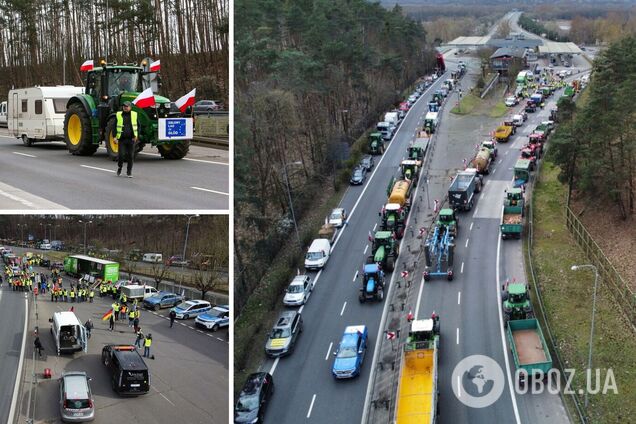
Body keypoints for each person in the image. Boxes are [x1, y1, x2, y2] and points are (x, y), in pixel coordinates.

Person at [114, 101, 138, 178]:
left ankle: (129, 172)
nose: (125, 107)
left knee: (130, 156)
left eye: (127, 106)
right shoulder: (118, 115)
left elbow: (139, 126)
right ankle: (119, 168)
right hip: (122, 139)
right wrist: (115, 137)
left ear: (130, 107)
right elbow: (114, 127)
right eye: (124, 106)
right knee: (121, 155)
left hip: (131, 139)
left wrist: (136, 135)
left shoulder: (134, 115)